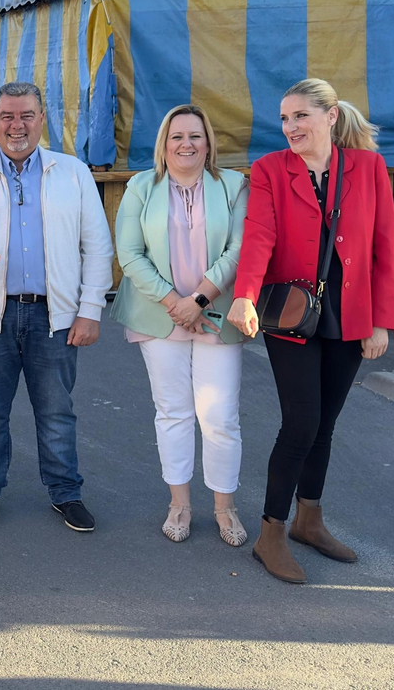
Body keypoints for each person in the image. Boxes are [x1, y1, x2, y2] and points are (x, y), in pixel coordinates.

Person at [226, 78, 394, 584]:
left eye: (300, 116)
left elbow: (384, 246)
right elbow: (259, 234)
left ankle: (309, 520)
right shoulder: (269, 170)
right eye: (284, 118)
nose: (290, 127)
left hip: (350, 312)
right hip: (291, 313)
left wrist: (382, 321)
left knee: (324, 425)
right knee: (300, 423)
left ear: (330, 116)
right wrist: (245, 294)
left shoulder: (368, 167)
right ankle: (270, 531)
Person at [0, 83, 112, 532]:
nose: (17, 126)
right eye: (7, 117)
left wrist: (90, 309)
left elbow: (96, 247)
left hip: (54, 314)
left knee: (56, 410)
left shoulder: (72, 173)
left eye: (26, 116)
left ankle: (65, 492)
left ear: (42, 119)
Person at [109, 104, 249, 546]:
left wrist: (200, 299)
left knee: (220, 416)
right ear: (163, 145)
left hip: (217, 315)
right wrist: (176, 302)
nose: (186, 144)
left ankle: (225, 507)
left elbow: (240, 246)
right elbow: (130, 253)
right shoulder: (139, 187)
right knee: (172, 411)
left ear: (208, 143)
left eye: (195, 136)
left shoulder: (232, 185)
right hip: (159, 314)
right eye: (176, 136)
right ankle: (180, 503)